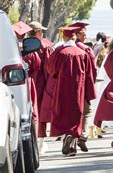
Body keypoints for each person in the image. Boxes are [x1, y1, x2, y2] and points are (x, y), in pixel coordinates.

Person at [47, 26, 96, 157]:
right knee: (76, 115)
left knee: (63, 114)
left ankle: (68, 138)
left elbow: (51, 70)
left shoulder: (59, 52)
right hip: (78, 89)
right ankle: (72, 141)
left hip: (62, 89)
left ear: (64, 37)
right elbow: (89, 73)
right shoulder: (82, 53)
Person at [27, 21, 54, 153]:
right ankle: (40, 143)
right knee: (41, 112)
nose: (42, 33)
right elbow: (48, 67)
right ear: (37, 32)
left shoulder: (23, 45)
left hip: (26, 82)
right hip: (41, 83)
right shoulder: (44, 46)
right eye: (41, 31)